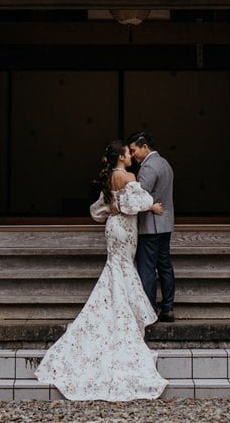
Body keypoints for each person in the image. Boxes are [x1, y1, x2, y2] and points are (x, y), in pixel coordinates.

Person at [33, 141, 168, 401]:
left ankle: (114, 309)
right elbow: (137, 202)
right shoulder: (127, 176)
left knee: (115, 269)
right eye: (128, 153)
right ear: (120, 157)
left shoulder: (109, 178)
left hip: (113, 228)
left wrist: (117, 208)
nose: (131, 156)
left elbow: (98, 210)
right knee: (123, 270)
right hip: (126, 229)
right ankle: (122, 314)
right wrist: (150, 206)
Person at [129, 132, 175, 323]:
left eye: (134, 150)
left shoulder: (148, 167)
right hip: (165, 223)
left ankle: (149, 309)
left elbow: (140, 196)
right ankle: (168, 307)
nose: (132, 155)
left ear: (144, 147)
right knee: (165, 266)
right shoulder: (165, 163)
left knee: (147, 268)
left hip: (151, 225)